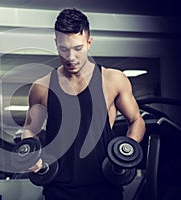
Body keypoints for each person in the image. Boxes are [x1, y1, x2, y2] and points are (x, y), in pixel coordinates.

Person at [21, 8, 146, 200]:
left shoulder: (112, 80)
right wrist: (32, 154)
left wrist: (126, 151)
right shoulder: (42, 87)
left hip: (105, 186)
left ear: (89, 43)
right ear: (56, 44)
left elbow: (136, 120)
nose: (71, 57)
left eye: (78, 48)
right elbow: (30, 130)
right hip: (58, 189)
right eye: (64, 49)